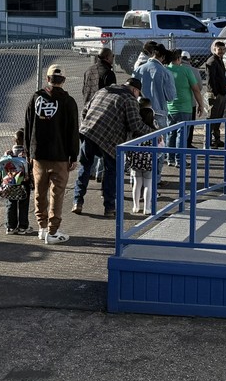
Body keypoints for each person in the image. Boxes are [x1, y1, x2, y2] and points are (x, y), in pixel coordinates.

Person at [72, 77, 156, 217]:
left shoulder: (103, 90)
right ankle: (109, 208)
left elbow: (85, 110)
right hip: (110, 139)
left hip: (89, 131)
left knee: (85, 167)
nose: (137, 97)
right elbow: (135, 125)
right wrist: (154, 133)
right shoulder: (129, 100)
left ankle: (77, 201)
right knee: (111, 172)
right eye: (138, 93)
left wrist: (85, 126)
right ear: (135, 90)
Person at [24, 64, 81, 245]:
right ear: (63, 80)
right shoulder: (68, 101)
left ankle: (41, 228)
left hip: (38, 154)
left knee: (39, 192)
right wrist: (73, 155)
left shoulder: (36, 98)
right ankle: (53, 230)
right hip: (60, 155)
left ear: (47, 79)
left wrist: (28, 151)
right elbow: (73, 131)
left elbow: (27, 125)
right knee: (57, 193)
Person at [165, 49, 207, 166]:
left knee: (171, 133)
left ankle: (170, 158)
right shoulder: (186, 71)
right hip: (185, 107)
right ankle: (180, 160)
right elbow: (196, 89)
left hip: (170, 106)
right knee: (182, 134)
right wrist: (200, 104)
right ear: (179, 58)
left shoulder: (166, 70)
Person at [81, 48, 116, 185]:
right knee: (103, 143)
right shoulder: (108, 73)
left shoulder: (89, 70)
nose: (113, 58)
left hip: (88, 109)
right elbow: (111, 94)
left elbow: (84, 89)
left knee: (88, 143)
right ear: (107, 57)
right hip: (102, 111)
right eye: (112, 56)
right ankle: (99, 174)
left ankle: (89, 171)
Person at [133, 43, 176, 128]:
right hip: (159, 113)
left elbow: (132, 91)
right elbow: (171, 97)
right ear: (163, 57)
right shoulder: (166, 72)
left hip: (140, 112)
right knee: (159, 140)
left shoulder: (138, 69)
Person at [0, 129, 33, 235]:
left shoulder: (8, 153)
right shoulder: (26, 154)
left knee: (10, 203)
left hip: (10, 182)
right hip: (23, 182)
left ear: (14, 140)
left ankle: (10, 226)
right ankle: (23, 226)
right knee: (23, 203)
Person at [128, 102, 158, 215]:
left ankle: (136, 206)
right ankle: (147, 207)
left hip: (135, 161)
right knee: (148, 185)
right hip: (149, 162)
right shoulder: (154, 132)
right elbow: (160, 148)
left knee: (136, 184)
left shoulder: (135, 132)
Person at [203, 40, 226, 148]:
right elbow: (210, 80)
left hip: (221, 94)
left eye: (223, 49)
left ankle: (216, 139)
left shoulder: (219, 60)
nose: (221, 51)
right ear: (214, 49)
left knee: (218, 118)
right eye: (219, 49)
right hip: (215, 95)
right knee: (211, 118)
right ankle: (208, 141)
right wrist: (214, 93)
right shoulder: (212, 61)